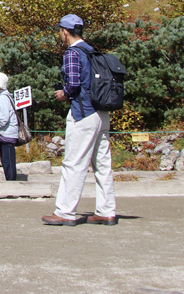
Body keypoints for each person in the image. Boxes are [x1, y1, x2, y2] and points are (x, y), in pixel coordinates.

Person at [42, 14, 117, 226]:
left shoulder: (72, 53)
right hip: (102, 113)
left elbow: (74, 83)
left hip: (83, 114)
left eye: (60, 31)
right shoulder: (92, 50)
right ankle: (106, 211)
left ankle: (65, 212)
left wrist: (63, 93)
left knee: (73, 163)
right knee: (103, 165)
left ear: (65, 31)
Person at [0, 72, 19, 181]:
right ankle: (10, 180)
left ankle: (11, 182)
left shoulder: (2, 98)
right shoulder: (3, 96)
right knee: (6, 160)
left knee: (8, 161)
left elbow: (3, 118)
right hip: (7, 133)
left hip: (7, 134)